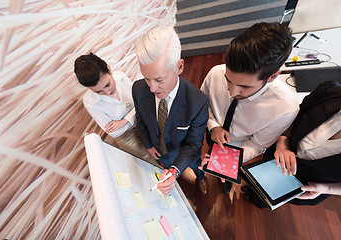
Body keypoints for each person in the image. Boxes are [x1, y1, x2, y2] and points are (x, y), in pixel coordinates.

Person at [200, 22, 299, 193]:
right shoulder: (215, 72)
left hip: (239, 147)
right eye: (228, 80)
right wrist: (213, 126)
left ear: (273, 76)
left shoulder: (285, 108)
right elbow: (201, 107)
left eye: (244, 87)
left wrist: (226, 161)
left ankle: (226, 181)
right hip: (210, 133)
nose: (232, 92)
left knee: (223, 174)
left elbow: (257, 144)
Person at [132, 26, 209, 196]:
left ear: (180, 67)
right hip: (160, 153)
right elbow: (141, 118)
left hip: (185, 155)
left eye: (159, 79)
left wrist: (175, 170)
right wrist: (148, 144)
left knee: (197, 168)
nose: (152, 88)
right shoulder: (138, 89)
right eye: (146, 78)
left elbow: (194, 144)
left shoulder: (198, 102)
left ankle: (201, 177)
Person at [74, 53, 157, 166]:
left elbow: (140, 104)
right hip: (126, 137)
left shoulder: (121, 77)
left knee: (157, 147)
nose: (107, 92)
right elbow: (115, 132)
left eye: (107, 85)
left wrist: (124, 121)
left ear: (109, 69)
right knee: (146, 159)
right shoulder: (90, 102)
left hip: (143, 122)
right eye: (99, 92)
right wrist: (134, 113)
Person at [268, 80, 341, 205]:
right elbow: (295, 116)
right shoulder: (329, 91)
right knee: (257, 182)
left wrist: (325, 188)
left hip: (310, 184)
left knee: (272, 200)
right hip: (276, 155)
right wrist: (282, 142)